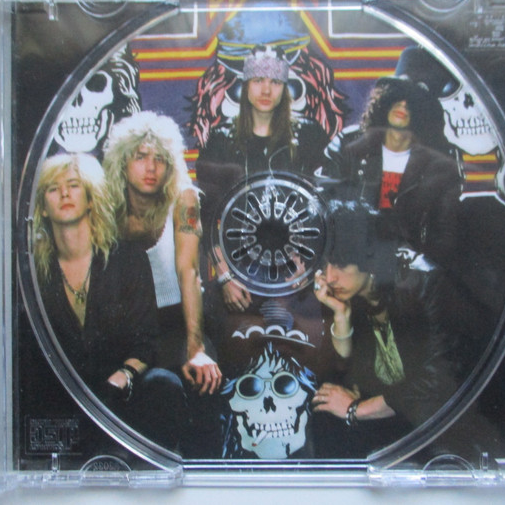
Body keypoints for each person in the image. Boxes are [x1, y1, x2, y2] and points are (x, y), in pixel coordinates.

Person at [32, 153, 185, 449]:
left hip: (120, 394)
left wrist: (124, 375)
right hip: (61, 401)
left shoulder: (127, 259)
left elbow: (146, 342)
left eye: (73, 185)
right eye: (53, 188)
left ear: (90, 199)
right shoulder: (35, 273)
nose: (64, 194)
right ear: (43, 209)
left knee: (164, 383)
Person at [310, 202, 468, 457]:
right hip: (390, 428)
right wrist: (341, 315)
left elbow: (436, 383)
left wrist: (355, 410)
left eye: (340, 265)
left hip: (438, 432)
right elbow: (344, 371)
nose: (329, 278)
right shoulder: (353, 295)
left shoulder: (424, 286)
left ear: (369, 258)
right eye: (326, 264)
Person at [196, 44, 329, 313]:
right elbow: (206, 217)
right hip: (239, 273)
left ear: (285, 88)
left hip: (297, 273)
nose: (266, 90)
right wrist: (224, 276)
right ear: (245, 86)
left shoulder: (309, 136)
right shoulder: (221, 140)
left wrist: (310, 264)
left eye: (275, 82)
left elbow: (325, 207)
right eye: (258, 80)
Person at [102, 111, 222, 395]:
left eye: (160, 159)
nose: (151, 168)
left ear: (171, 166)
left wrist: (195, 347)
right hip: (125, 329)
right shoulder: (105, 204)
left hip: (177, 322)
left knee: (187, 383)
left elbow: (189, 271)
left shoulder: (184, 199)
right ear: (122, 162)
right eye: (141, 157)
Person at [327, 77, 462, 269]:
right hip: (350, 262)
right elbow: (323, 201)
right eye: (396, 96)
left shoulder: (441, 164)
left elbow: (444, 234)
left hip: (406, 271)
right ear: (384, 101)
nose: (403, 104)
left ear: (425, 108)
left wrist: (420, 262)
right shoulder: (348, 143)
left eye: (412, 99)